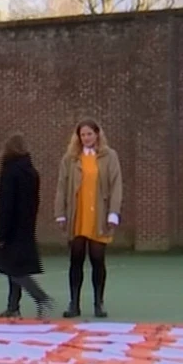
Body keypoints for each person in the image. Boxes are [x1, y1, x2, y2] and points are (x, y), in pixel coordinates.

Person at [53, 118, 123, 318]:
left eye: (89, 134)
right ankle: (74, 303)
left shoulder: (110, 156)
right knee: (76, 259)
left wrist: (113, 212)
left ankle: (98, 303)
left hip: (99, 215)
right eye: (82, 135)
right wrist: (60, 213)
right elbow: (61, 186)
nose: (86, 138)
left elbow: (116, 185)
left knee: (97, 259)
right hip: (77, 214)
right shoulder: (70, 158)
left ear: (97, 134)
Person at [0, 132, 53, 319]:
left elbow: (6, 205)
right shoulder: (31, 172)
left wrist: (1, 234)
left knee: (13, 269)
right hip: (26, 227)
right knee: (16, 268)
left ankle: (40, 297)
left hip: (11, 228)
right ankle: (13, 306)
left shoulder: (10, 172)